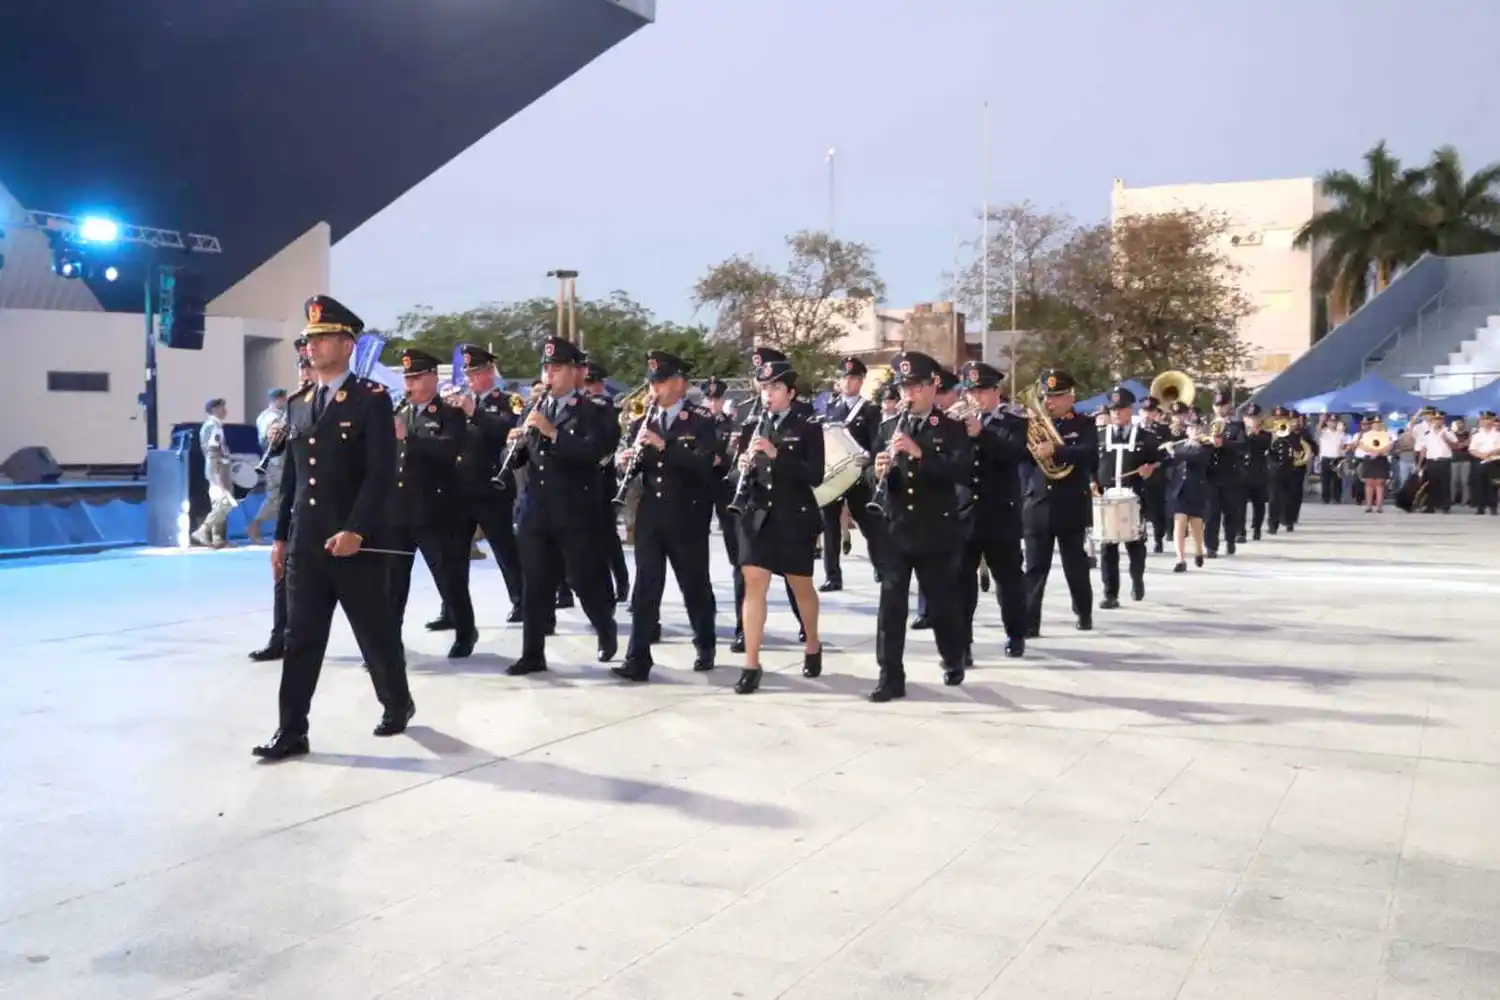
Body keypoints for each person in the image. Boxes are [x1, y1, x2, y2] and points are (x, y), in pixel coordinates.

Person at [255, 295, 412, 760]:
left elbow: (380, 473)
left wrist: (357, 529)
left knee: (374, 632)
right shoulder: (298, 404)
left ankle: (397, 702)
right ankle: (291, 730)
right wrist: (281, 537)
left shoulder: (371, 400)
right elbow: (293, 478)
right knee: (300, 637)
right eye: (310, 339)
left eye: (323, 338)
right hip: (307, 543)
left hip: (354, 543)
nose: (313, 346)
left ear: (347, 344)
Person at [504, 337, 619, 675]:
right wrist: (513, 445)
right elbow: (519, 460)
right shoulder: (533, 408)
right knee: (535, 584)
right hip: (536, 509)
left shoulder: (595, 410)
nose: (549, 374)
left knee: (583, 580)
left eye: (556, 368)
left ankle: (605, 627)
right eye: (546, 368)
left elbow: (594, 452)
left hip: (575, 510)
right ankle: (532, 653)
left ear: (573, 372)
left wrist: (553, 433)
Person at [865, 351, 972, 699]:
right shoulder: (887, 427)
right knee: (891, 606)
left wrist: (921, 454)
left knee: (941, 604)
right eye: (904, 388)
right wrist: (877, 472)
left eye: (915, 387)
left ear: (932, 386)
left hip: (935, 528)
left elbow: (962, 472)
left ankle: (953, 656)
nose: (908, 395)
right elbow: (870, 474)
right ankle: (890, 676)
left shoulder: (951, 428)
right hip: (895, 528)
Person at [612, 351, 718, 680]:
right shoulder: (641, 420)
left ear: (679, 383)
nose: (654, 389)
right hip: (651, 514)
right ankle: (637, 658)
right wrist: (625, 463)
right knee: (645, 587)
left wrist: (665, 446)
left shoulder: (701, 419)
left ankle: (705, 644)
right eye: (652, 382)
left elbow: (704, 464)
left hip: (688, 515)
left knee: (694, 585)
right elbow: (635, 467)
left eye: (660, 382)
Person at [729, 347, 825, 695]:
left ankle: (812, 643)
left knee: (801, 586)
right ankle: (751, 663)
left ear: (790, 392)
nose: (767, 394)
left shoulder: (808, 425)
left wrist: (776, 454)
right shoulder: (752, 424)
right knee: (754, 583)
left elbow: (814, 475)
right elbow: (734, 471)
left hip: (793, 516)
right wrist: (740, 466)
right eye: (764, 387)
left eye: (775, 388)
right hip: (757, 515)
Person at [388, 348, 477, 658]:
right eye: (407, 377)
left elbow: (449, 451)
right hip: (399, 510)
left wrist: (409, 439)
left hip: (435, 509)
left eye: (415, 377)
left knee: (448, 577)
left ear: (432, 378)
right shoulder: (401, 412)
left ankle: (465, 630)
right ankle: (388, 642)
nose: (409, 383)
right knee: (393, 582)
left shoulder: (450, 414)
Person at [954, 361, 1027, 663]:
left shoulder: (1013, 421)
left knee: (1008, 580)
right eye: (971, 392)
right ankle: (962, 644)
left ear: (996, 391)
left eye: (982, 391)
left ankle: (1015, 634)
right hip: (964, 512)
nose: (976, 397)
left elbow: (1013, 453)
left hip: (1000, 512)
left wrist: (981, 433)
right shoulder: (956, 420)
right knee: (961, 583)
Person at [445, 344, 523, 624]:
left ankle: (521, 600)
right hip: (461, 489)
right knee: (454, 553)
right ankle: (451, 609)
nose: (470, 379)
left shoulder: (508, 401)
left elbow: (507, 432)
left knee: (504, 548)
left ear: (490, 373)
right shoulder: (462, 401)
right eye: (468, 373)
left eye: (476, 373)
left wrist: (474, 412)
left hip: (491, 488)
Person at [1019, 369, 1098, 636]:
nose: (1050, 402)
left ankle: (1084, 612)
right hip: (1038, 503)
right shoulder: (1033, 424)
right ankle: (1030, 622)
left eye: (1057, 396)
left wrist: (1057, 449)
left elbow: (1089, 454)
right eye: (1046, 397)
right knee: (1034, 568)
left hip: (1070, 503)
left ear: (1071, 397)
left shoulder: (1084, 424)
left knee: (1075, 565)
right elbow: (1021, 458)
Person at [818, 356, 884, 591]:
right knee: (830, 526)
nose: (848, 382)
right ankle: (832, 576)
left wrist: (870, 459)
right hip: (834, 474)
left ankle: (881, 566)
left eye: (853, 378)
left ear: (861, 381)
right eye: (844, 378)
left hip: (859, 475)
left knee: (868, 523)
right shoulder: (829, 408)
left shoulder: (870, 410)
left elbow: (877, 441)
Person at [1095, 385, 1159, 608]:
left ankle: (1137, 579)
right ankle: (1110, 593)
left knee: (1135, 545)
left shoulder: (1145, 436)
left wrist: (1150, 469)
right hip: (1107, 497)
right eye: (1113, 409)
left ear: (1130, 410)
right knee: (1108, 547)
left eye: (1121, 409)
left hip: (1134, 496)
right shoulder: (1099, 436)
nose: (1116, 413)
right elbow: (1090, 465)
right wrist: (1092, 484)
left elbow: (1161, 460)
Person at [584, 359, 632, 603]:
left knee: (607, 535)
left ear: (600, 383)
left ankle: (621, 582)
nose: (587, 387)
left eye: (591, 382)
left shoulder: (606, 407)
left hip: (602, 478)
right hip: (582, 478)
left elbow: (609, 444)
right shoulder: (582, 405)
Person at [1162, 403, 1212, 571]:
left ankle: (1199, 551)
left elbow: (1193, 457)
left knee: (1196, 526)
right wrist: (1164, 453)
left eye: (1198, 428)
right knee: (1179, 523)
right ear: (1187, 431)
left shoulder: (1205, 448)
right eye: (1191, 429)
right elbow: (1170, 462)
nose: (1194, 431)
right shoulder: (1180, 446)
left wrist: (1173, 452)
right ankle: (1180, 559)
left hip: (1197, 490)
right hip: (1179, 491)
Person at [1203, 387, 1248, 557]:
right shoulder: (1207, 426)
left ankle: (1230, 540)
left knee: (1230, 512)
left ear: (1229, 405)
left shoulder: (1237, 426)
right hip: (1211, 475)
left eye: (1223, 405)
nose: (1220, 408)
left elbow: (1242, 446)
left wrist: (1224, 444)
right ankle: (1211, 546)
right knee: (1211, 513)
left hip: (1230, 475)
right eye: (1217, 405)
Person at [248, 388, 290, 544]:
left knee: (282, 496)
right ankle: (255, 526)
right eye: (283, 398)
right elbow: (275, 440)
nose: (285, 401)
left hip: (277, 460)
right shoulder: (273, 418)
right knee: (275, 496)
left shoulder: (264, 415)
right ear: (277, 399)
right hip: (276, 461)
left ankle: (282, 531)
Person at [192, 398, 235, 548]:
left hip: (214, 467)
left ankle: (218, 538)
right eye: (222, 407)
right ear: (215, 410)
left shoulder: (211, 425)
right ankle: (203, 530)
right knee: (226, 502)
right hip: (218, 468)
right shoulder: (214, 426)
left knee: (218, 503)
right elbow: (212, 451)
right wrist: (217, 474)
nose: (225, 410)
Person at [1239, 404, 1271, 540]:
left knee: (1259, 504)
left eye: (1255, 417)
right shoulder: (1239, 433)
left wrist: (1254, 435)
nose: (1252, 420)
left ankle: (1257, 528)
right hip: (1241, 473)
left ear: (1259, 419)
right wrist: (1247, 435)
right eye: (1249, 417)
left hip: (1258, 473)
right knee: (1240, 504)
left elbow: (1263, 446)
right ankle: (1241, 531)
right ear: (1244, 418)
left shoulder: (1265, 435)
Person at [1355, 414, 1393, 513]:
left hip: (1381, 459)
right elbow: (1361, 445)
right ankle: (1369, 505)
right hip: (1369, 459)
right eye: (1375, 423)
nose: (1377, 425)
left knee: (1380, 484)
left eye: (1379, 423)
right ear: (1372, 424)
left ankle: (1379, 506)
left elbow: (1389, 446)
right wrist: (1372, 451)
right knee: (1369, 483)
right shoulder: (1366, 435)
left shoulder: (1386, 434)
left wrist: (1378, 452)